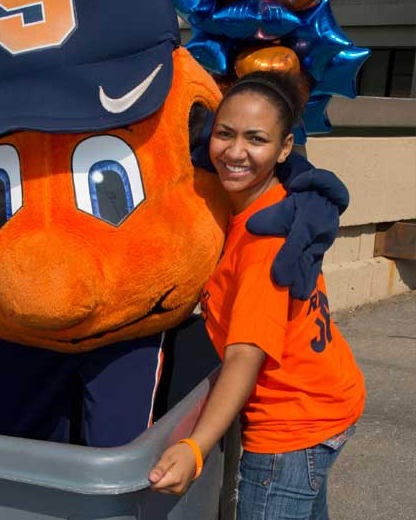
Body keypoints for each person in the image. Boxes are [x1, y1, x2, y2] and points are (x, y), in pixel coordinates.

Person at [148, 71, 366, 520]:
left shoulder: (264, 246)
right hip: (329, 396)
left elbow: (245, 356)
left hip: (292, 427)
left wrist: (196, 446)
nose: (234, 152)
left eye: (256, 139)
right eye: (224, 134)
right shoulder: (268, 203)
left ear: (284, 148)